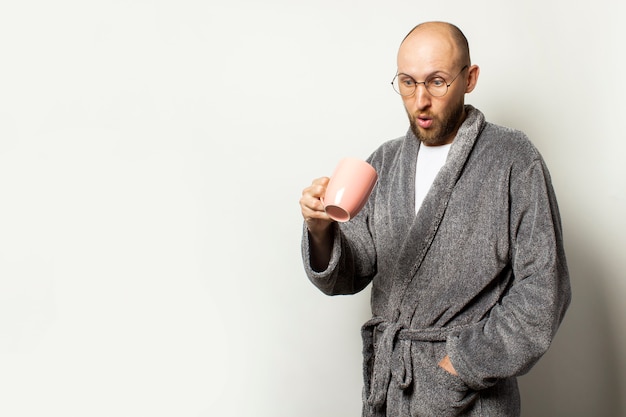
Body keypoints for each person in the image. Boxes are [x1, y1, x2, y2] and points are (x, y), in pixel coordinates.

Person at [299, 21, 571, 417]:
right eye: (408, 83)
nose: (420, 100)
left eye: (437, 81)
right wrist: (321, 229)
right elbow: (349, 274)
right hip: (392, 393)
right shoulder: (386, 162)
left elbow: (544, 290)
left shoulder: (512, 158)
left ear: (470, 78)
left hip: (470, 399)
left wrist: (462, 365)